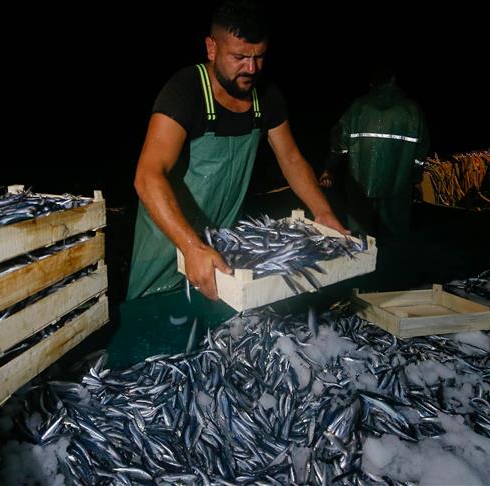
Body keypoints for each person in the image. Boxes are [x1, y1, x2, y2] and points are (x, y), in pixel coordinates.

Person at [127, 0, 347, 301]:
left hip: (223, 243)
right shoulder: (186, 90)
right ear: (212, 48)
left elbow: (291, 159)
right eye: (240, 57)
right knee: (154, 319)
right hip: (169, 237)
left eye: (259, 57)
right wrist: (190, 247)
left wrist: (323, 213)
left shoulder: (266, 97)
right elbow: (148, 176)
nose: (251, 68)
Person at [320, 65, 429, 239]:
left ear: (372, 83)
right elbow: (420, 156)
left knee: (359, 242)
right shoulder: (413, 111)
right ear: (395, 82)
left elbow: (338, 145)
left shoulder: (357, 108)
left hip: (360, 191)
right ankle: (393, 264)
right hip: (398, 192)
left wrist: (329, 170)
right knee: (395, 242)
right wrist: (415, 179)